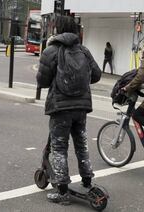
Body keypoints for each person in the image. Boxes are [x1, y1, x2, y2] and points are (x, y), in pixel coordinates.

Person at [36, 16, 101, 204]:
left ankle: (62, 191)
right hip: (81, 106)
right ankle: (87, 179)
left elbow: (42, 81)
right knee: (81, 143)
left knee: (59, 147)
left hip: (60, 107)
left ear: (57, 29)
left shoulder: (51, 51)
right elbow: (96, 75)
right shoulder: (84, 50)